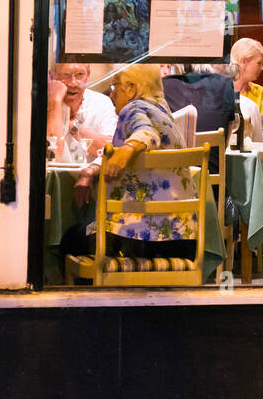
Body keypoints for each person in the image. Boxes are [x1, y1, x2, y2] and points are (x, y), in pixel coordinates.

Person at [65, 64, 198, 260]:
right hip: (182, 238)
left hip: (141, 239)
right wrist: (95, 168)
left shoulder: (133, 108)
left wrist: (126, 150)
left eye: (115, 87)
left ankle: (97, 287)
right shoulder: (163, 112)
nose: (112, 95)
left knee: (69, 240)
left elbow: (146, 133)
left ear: (132, 89)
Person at [47, 63, 117, 155]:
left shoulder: (101, 102)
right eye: (66, 75)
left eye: (80, 74)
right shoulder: (46, 103)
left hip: (93, 169)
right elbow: (52, 155)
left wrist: (72, 125)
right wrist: (55, 103)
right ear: (53, 77)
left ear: (88, 76)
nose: (73, 83)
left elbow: (109, 151)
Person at [229, 38, 263, 142]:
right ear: (244, 62)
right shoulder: (223, 92)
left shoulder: (261, 93)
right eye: (259, 63)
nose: (262, 68)